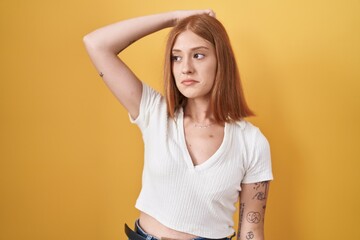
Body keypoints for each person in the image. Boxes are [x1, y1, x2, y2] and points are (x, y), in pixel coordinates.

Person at [83, 9, 273, 240]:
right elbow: (96, 44)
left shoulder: (251, 142)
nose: (185, 68)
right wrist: (173, 20)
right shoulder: (155, 112)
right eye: (177, 57)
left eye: (199, 55)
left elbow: (251, 229)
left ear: (221, 60)